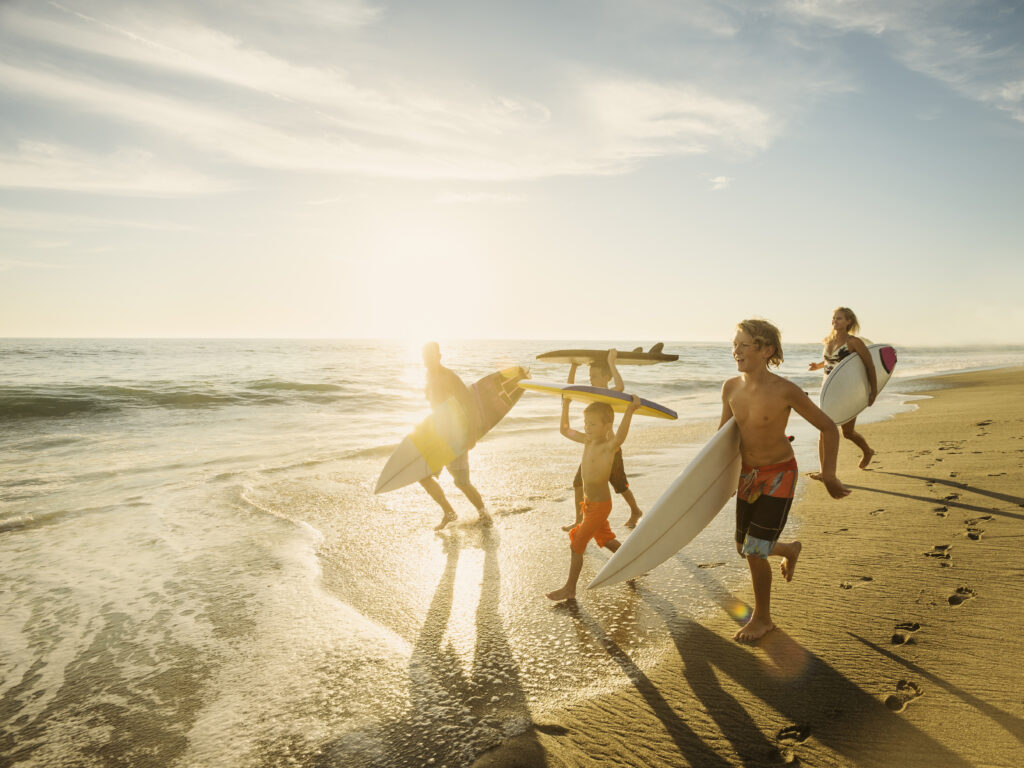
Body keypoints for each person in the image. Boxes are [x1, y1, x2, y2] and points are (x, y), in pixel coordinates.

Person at [721, 319, 850, 642]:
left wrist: (829, 473)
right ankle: (789, 549)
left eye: (743, 345)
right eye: (734, 344)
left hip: (779, 475)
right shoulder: (730, 388)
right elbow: (723, 440)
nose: (736, 351)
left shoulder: (785, 390)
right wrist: (717, 485)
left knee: (753, 550)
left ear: (767, 350)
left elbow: (828, 427)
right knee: (744, 547)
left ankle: (763, 619)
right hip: (748, 475)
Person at [546, 394, 641, 601]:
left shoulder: (608, 447)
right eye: (586, 423)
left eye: (593, 424)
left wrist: (630, 410)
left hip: (600, 506)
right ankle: (633, 562)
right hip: (589, 504)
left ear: (607, 426)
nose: (587, 428)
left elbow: (621, 437)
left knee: (577, 544)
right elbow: (564, 429)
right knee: (605, 539)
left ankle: (569, 588)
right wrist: (566, 404)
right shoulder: (587, 441)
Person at [561, 349, 645, 531]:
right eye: (590, 376)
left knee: (620, 485)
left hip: (610, 450)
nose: (591, 380)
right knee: (578, 483)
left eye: (595, 376)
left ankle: (636, 511)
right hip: (593, 447)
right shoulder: (592, 396)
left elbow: (621, 386)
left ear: (606, 377)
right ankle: (579, 520)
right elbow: (570, 391)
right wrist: (574, 367)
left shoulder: (609, 393)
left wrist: (611, 361)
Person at [418, 342, 492, 530]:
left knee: (461, 482)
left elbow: (470, 403)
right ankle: (449, 513)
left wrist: (472, 435)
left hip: (455, 436)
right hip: (438, 436)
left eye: (431, 355)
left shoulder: (448, 377)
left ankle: (485, 515)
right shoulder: (428, 376)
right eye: (424, 355)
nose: (427, 359)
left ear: (439, 356)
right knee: (423, 475)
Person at [808, 307, 878, 470]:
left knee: (848, 433)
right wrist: (818, 365)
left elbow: (870, 365)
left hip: (847, 392)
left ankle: (867, 451)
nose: (834, 321)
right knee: (824, 431)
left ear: (849, 321)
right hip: (828, 391)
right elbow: (832, 361)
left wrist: (873, 391)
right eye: (833, 318)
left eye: (839, 318)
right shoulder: (828, 341)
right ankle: (824, 472)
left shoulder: (854, 342)